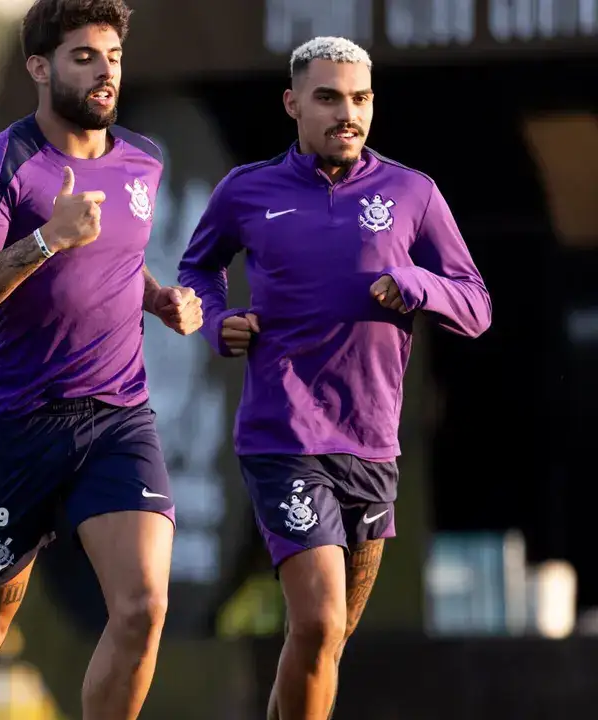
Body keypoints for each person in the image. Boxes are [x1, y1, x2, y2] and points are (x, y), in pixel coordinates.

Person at [178, 35, 492, 719]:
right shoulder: (247, 190)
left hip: (373, 448)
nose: (346, 113)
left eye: (359, 98)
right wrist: (214, 323)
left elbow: (476, 305)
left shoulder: (412, 193)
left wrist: (415, 285)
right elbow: (196, 270)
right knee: (318, 623)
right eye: (328, 98)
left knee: (326, 640)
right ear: (292, 103)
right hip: (282, 436)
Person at [0, 1, 204, 717]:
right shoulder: (1, 167)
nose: (104, 71)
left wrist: (156, 298)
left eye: (112, 56)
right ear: (40, 67)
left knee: (141, 608)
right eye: (85, 56)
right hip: (16, 432)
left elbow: (115, 257)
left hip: (117, 421)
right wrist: (47, 240)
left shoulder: (143, 161)